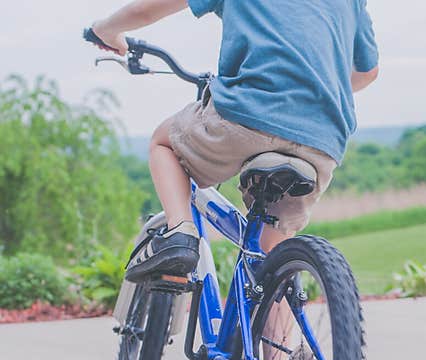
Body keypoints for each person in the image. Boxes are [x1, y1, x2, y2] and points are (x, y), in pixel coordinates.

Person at [89, 0, 379, 282]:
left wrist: (106, 30)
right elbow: (367, 72)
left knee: (163, 143)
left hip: (249, 114)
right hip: (322, 138)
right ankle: (277, 331)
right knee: (273, 261)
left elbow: (144, 9)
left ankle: (180, 233)